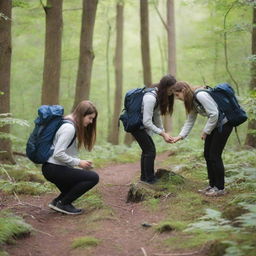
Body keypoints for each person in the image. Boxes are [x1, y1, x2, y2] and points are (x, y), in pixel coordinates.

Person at [171, 81, 233, 196]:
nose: (177, 98)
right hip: (215, 125)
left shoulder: (200, 95)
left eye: (177, 95)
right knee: (207, 154)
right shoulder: (192, 101)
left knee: (214, 155)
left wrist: (205, 131)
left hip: (224, 124)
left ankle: (220, 188)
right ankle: (212, 185)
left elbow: (214, 114)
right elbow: (190, 120)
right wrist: (180, 136)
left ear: (183, 90)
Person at [42, 101, 99, 215]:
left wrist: (80, 163)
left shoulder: (69, 121)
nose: (91, 121)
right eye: (90, 118)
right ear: (82, 114)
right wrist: (79, 162)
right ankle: (63, 203)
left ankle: (57, 202)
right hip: (53, 168)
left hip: (53, 167)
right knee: (93, 177)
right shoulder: (69, 128)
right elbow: (58, 153)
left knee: (78, 181)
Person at [131, 74, 176, 184]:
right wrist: (162, 133)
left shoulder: (157, 96)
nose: (172, 92)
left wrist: (163, 132)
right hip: (136, 126)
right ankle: (150, 179)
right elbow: (147, 121)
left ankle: (144, 178)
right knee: (150, 151)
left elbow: (156, 115)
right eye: (171, 89)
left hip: (141, 126)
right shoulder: (150, 98)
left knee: (147, 150)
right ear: (165, 87)